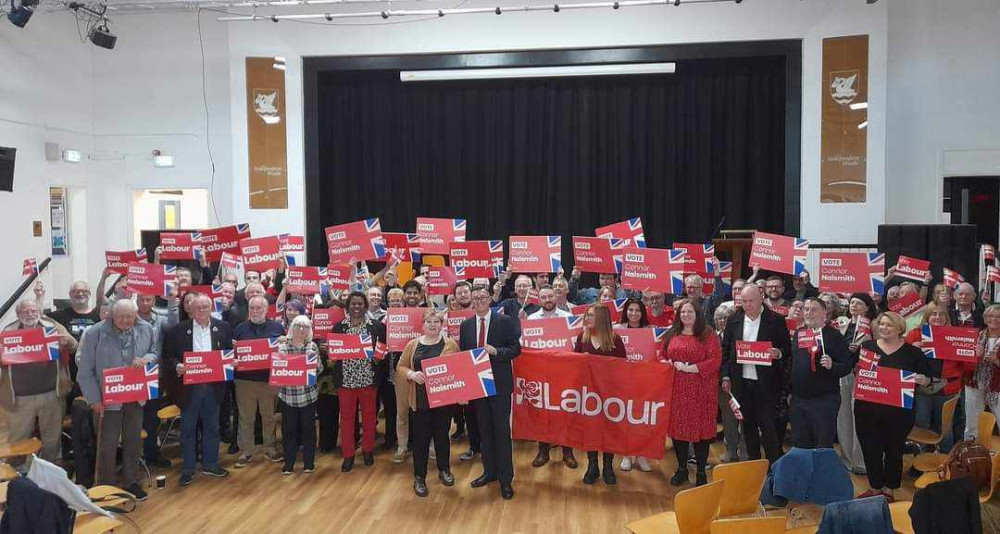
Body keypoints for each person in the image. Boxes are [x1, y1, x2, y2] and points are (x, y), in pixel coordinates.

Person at [75, 299, 158, 500]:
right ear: (111, 315)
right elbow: (85, 371)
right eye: (121, 316)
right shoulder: (94, 333)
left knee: (133, 441)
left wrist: (147, 359)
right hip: (106, 400)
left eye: (130, 316)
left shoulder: (146, 328)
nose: (126, 320)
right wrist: (94, 399)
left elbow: (155, 352)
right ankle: (107, 487)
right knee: (107, 445)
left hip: (135, 396)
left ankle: (131, 482)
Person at [854, 311, 934, 501]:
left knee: (893, 451)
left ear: (900, 328)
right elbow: (856, 370)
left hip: (899, 413)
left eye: (889, 325)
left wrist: (923, 379)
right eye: (881, 324)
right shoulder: (867, 347)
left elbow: (927, 378)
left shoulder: (913, 352)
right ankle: (874, 488)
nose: (883, 328)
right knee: (870, 449)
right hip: (867, 410)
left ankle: (889, 490)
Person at [162, 293, 234, 486]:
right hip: (189, 388)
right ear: (190, 310)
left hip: (213, 387)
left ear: (211, 308)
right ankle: (188, 468)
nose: (202, 310)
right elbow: (168, 357)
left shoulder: (224, 328)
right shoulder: (177, 330)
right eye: (198, 308)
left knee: (212, 428)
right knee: (188, 429)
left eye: (205, 307)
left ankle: (211, 464)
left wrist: (230, 362)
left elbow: (229, 354)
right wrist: (178, 367)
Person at [459, 285, 522, 500]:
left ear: (489, 299)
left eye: (482, 297)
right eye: (475, 298)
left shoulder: (504, 321)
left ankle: (506, 479)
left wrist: (497, 351)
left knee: (501, 432)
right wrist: (465, 388)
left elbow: (516, 348)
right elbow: (463, 358)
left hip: (500, 385)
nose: (479, 301)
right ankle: (489, 472)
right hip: (478, 386)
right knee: (484, 432)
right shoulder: (465, 325)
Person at [720, 285, 791, 466]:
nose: (747, 305)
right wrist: (726, 376)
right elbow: (726, 352)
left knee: (769, 429)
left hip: (767, 385)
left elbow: (787, 349)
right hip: (741, 384)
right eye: (744, 301)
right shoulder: (734, 320)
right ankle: (753, 466)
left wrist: (778, 353)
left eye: (751, 301)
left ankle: (773, 469)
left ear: (761, 298)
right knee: (748, 428)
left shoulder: (775, 320)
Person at [0, 299, 76, 462]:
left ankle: (51, 476)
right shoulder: (8, 332)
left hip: (51, 395)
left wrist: (67, 342)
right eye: (25, 311)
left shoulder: (52, 327)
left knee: (52, 441)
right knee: (18, 443)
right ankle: (17, 478)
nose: (30, 314)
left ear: (39, 312)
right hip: (19, 399)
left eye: (33, 311)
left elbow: (74, 345)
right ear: (18, 315)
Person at [397, 309, 459, 497]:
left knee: (442, 438)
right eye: (429, 322)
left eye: (436, 321)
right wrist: (411, 374)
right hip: (420, 401)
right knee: (421, 441)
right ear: (422, 325)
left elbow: (458, 369)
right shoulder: (413, 345)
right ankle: (419, 477)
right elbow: (400, 366)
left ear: (442, 324)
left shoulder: (450, 344)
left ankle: (444, 470)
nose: (433, 325)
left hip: (443, 402)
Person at [661, 299, 722, 486]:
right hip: (677, 390)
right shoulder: (673, 333)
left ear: (698, 314)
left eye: (690, 312)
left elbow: (715, 360)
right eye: (683, 312)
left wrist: (691, 368)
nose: (686, 315)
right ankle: (681, 469)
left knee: (700, 433)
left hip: (701, 391)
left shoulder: (708, 334)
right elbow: (662, 353)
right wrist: (666, 363)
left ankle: (702, 472)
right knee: (679, 432)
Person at [331, 291, 386, 472]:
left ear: (365, 306)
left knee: (370, 417)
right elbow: (334, 353)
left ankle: (367, 450)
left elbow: (383, 347)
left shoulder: (376, 326)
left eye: (360, 304)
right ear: (348, 306)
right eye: (353, 304)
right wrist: (330, 354)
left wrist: (379, 356)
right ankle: (348, 455)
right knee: (346, 419)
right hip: (346, 380)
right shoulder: (339, 328)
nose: (356, 307)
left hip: (368, 379)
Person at [788, 298, 852, 449]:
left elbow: (846, 366)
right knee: (799, 443)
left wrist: (832, 365)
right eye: (806, 309)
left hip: (824, 401)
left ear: (824, 313)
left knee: (822, 444)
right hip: (799, 400)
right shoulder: (799, 334)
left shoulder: (835, 336)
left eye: (814, 309)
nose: (809, 313)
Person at [525, 285, 577, 469]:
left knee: (566, 412)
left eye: (550, 296)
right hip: (541, 374)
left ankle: (568, 452)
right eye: (543, 297)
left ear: (556, 296)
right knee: (542, 413)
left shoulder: (567, 318)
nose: (547, 299)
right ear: (538, 300)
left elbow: (575, 345)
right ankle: (543, 451)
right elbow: (525, 347)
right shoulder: (531, 320)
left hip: (564, 374)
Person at [574, 304, 626, 485]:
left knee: (608, 430)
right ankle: (592, 465)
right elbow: (573, 363)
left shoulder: (615, 340)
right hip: (588, 394)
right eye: (586, 315)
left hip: (609, 394)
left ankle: (608, 466)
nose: (586, 318)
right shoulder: (582, 338)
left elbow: (622, 367)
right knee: (591, 430)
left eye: (590, 315)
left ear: (601, 319)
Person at [232, 296, 284, 468]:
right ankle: (246, 451)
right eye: (252, 308)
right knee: (246, 418)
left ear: (266, 309)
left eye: (259, 308)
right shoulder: (239, 329)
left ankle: (270, 448)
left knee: (269, 417)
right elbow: (231, 353)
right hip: (244, 381)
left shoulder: (277, 328)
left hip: (269, 380)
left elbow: (284, 353)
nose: (255, 311)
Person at [906, 302, 965, 454]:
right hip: (921, 388)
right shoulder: (915, 334)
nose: (937, 317)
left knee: (945, 428)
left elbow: (966, 366)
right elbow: (903, 361)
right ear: (927, 317)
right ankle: (920, 460)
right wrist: (912, 349)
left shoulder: (956, 335)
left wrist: (971, 354)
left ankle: (946, 462)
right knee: (920, 425)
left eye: (941, 314)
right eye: (933, 314)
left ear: (947, 317)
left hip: (947, 389)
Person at [276, 315, 322, 475]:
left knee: (308, 429)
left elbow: (319, 370)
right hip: (287, 395)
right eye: (298, 326)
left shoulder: (312, 347)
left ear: (309, 331)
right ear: (291, 328)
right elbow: (277, 371)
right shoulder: (282, 347)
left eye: (305, 327)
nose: (301, 330)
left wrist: (315, 364)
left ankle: (309, 463)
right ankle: (289, 463)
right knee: (288, 430)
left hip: (308, 395)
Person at [837, 293, 877, 475]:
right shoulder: (841, 323)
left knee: (860, 418)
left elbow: (880, 349)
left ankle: (861, 461)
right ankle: (847, 458)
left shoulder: (875, 325)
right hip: (842, 374)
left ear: (867, 307)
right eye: (852, 302)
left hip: (863, 375)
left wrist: (863, 347)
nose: (854, 305)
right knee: (843, 416)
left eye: (859, 303)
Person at [135, 292, 176, 469]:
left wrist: (173, 301)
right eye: (142, 299)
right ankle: (132, 456)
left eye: (148, 299)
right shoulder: (129, 318)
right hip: (132, 376)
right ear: (136, 301)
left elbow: (174, 326)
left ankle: (151, 454)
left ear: (153, 301)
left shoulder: (159, 320)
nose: (145, 302)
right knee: (132, 418)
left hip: (154, 376)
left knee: (152, 419)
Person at [964, 304, 1000, 440]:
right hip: (974, 381)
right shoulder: (975, 335)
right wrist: (975, 356)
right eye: (991, 316)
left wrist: (996, 361)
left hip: (997, 385)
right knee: (972, 421)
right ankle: (969, 451)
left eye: (998, 317)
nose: (994, 319)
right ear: (985, 318)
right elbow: (963, 360)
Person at [714, 306, 743, 463]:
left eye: (726, 318)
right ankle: (731, 449)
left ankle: (744, 452)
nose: (723, 321)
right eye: (720, 318)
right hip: (722, 384)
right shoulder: (712, 337)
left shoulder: (740, 335)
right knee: (728, 419)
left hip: (741, 381)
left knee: (744, 418)